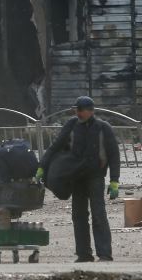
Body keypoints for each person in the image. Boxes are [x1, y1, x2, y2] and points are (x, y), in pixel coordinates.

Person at [38, 96, 120, 262]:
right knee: (79, 215)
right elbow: (55, 147)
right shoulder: (72, 125)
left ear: (91, 111)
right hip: (76, 177)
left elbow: (114, 155)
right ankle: (84, 254)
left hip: (96, 176)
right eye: (76, 110)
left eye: (81, 110)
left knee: (99, 214)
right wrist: (42, 167)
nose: (78, 113)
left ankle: (104, 254)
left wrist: (114, 181)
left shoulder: (104, 128)